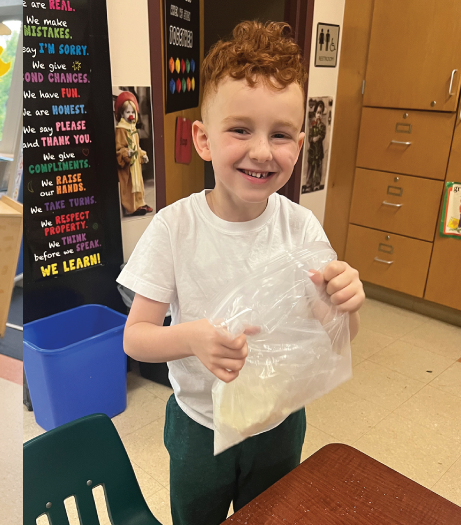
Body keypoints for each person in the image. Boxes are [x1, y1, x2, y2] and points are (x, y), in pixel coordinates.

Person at [117, 21, 365, 525]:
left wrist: (344, 303)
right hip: (200, 426)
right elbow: (136, 338)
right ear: (203, 140)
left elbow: (337, 336)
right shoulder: (175, 227)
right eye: (240, 129)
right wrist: (193, 339)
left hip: (278, 421)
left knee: (271, 515)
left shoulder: (300, 227)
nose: (260, 151)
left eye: (279, 135)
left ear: (298, 145)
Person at [115, 91, 152, 216]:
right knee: (129, 185)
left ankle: (139, 203)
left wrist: (142, 155)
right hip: (127, 164)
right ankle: (131, 208)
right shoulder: (121, 129)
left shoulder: (133, 128)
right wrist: (126, 153)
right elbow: (119, 149)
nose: (130, 115)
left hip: (135, 164)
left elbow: (137, 146)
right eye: (127, 112)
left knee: (138, 184)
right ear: (121, 114)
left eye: (132, 112)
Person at [306, 99, 326, 192]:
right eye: (317, 112)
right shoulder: (312, 126)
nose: (319, 115)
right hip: (312, 150)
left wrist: (317, 137)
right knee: (310, 168)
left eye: (320, 113)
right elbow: (309, 137)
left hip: (319, 150)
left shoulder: (322, 126)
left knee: (318, 168)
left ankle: (316, 184)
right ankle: (308, 184)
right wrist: (312, 139)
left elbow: (322, 135)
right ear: (315, 113)